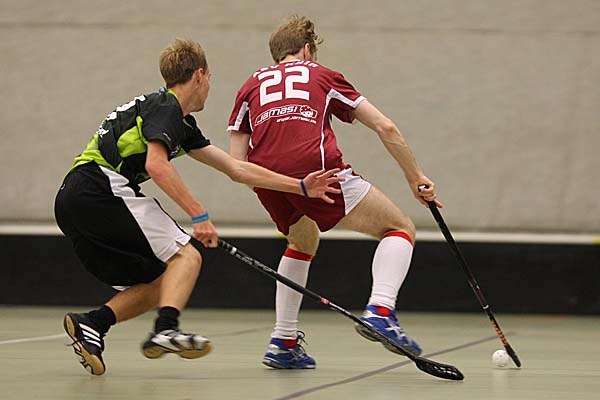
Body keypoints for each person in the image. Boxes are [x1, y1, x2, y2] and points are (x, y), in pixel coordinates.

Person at [54, 38, 344, 376]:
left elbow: (237, 169)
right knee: (187, 257)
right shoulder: (167, 107)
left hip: (73, 199)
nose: (209, 87)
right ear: (199, 75)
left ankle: (93, 324)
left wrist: (300, 186)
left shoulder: (179, 122)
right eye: (210, 78)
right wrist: (199, 215)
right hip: (99, 186)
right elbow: (156, 165)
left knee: (165, 281)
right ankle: (166, 329)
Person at [227, 15, 442, 369]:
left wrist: (280, 186)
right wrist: (415, 177)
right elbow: (385, 126)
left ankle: (283, 342)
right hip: (317, 173)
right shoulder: (322, 75)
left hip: (266, 178)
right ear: (307, 50)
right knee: (399, 227)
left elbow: (237, 164)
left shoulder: (249, 86)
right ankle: (381, 311)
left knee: (302, 241)